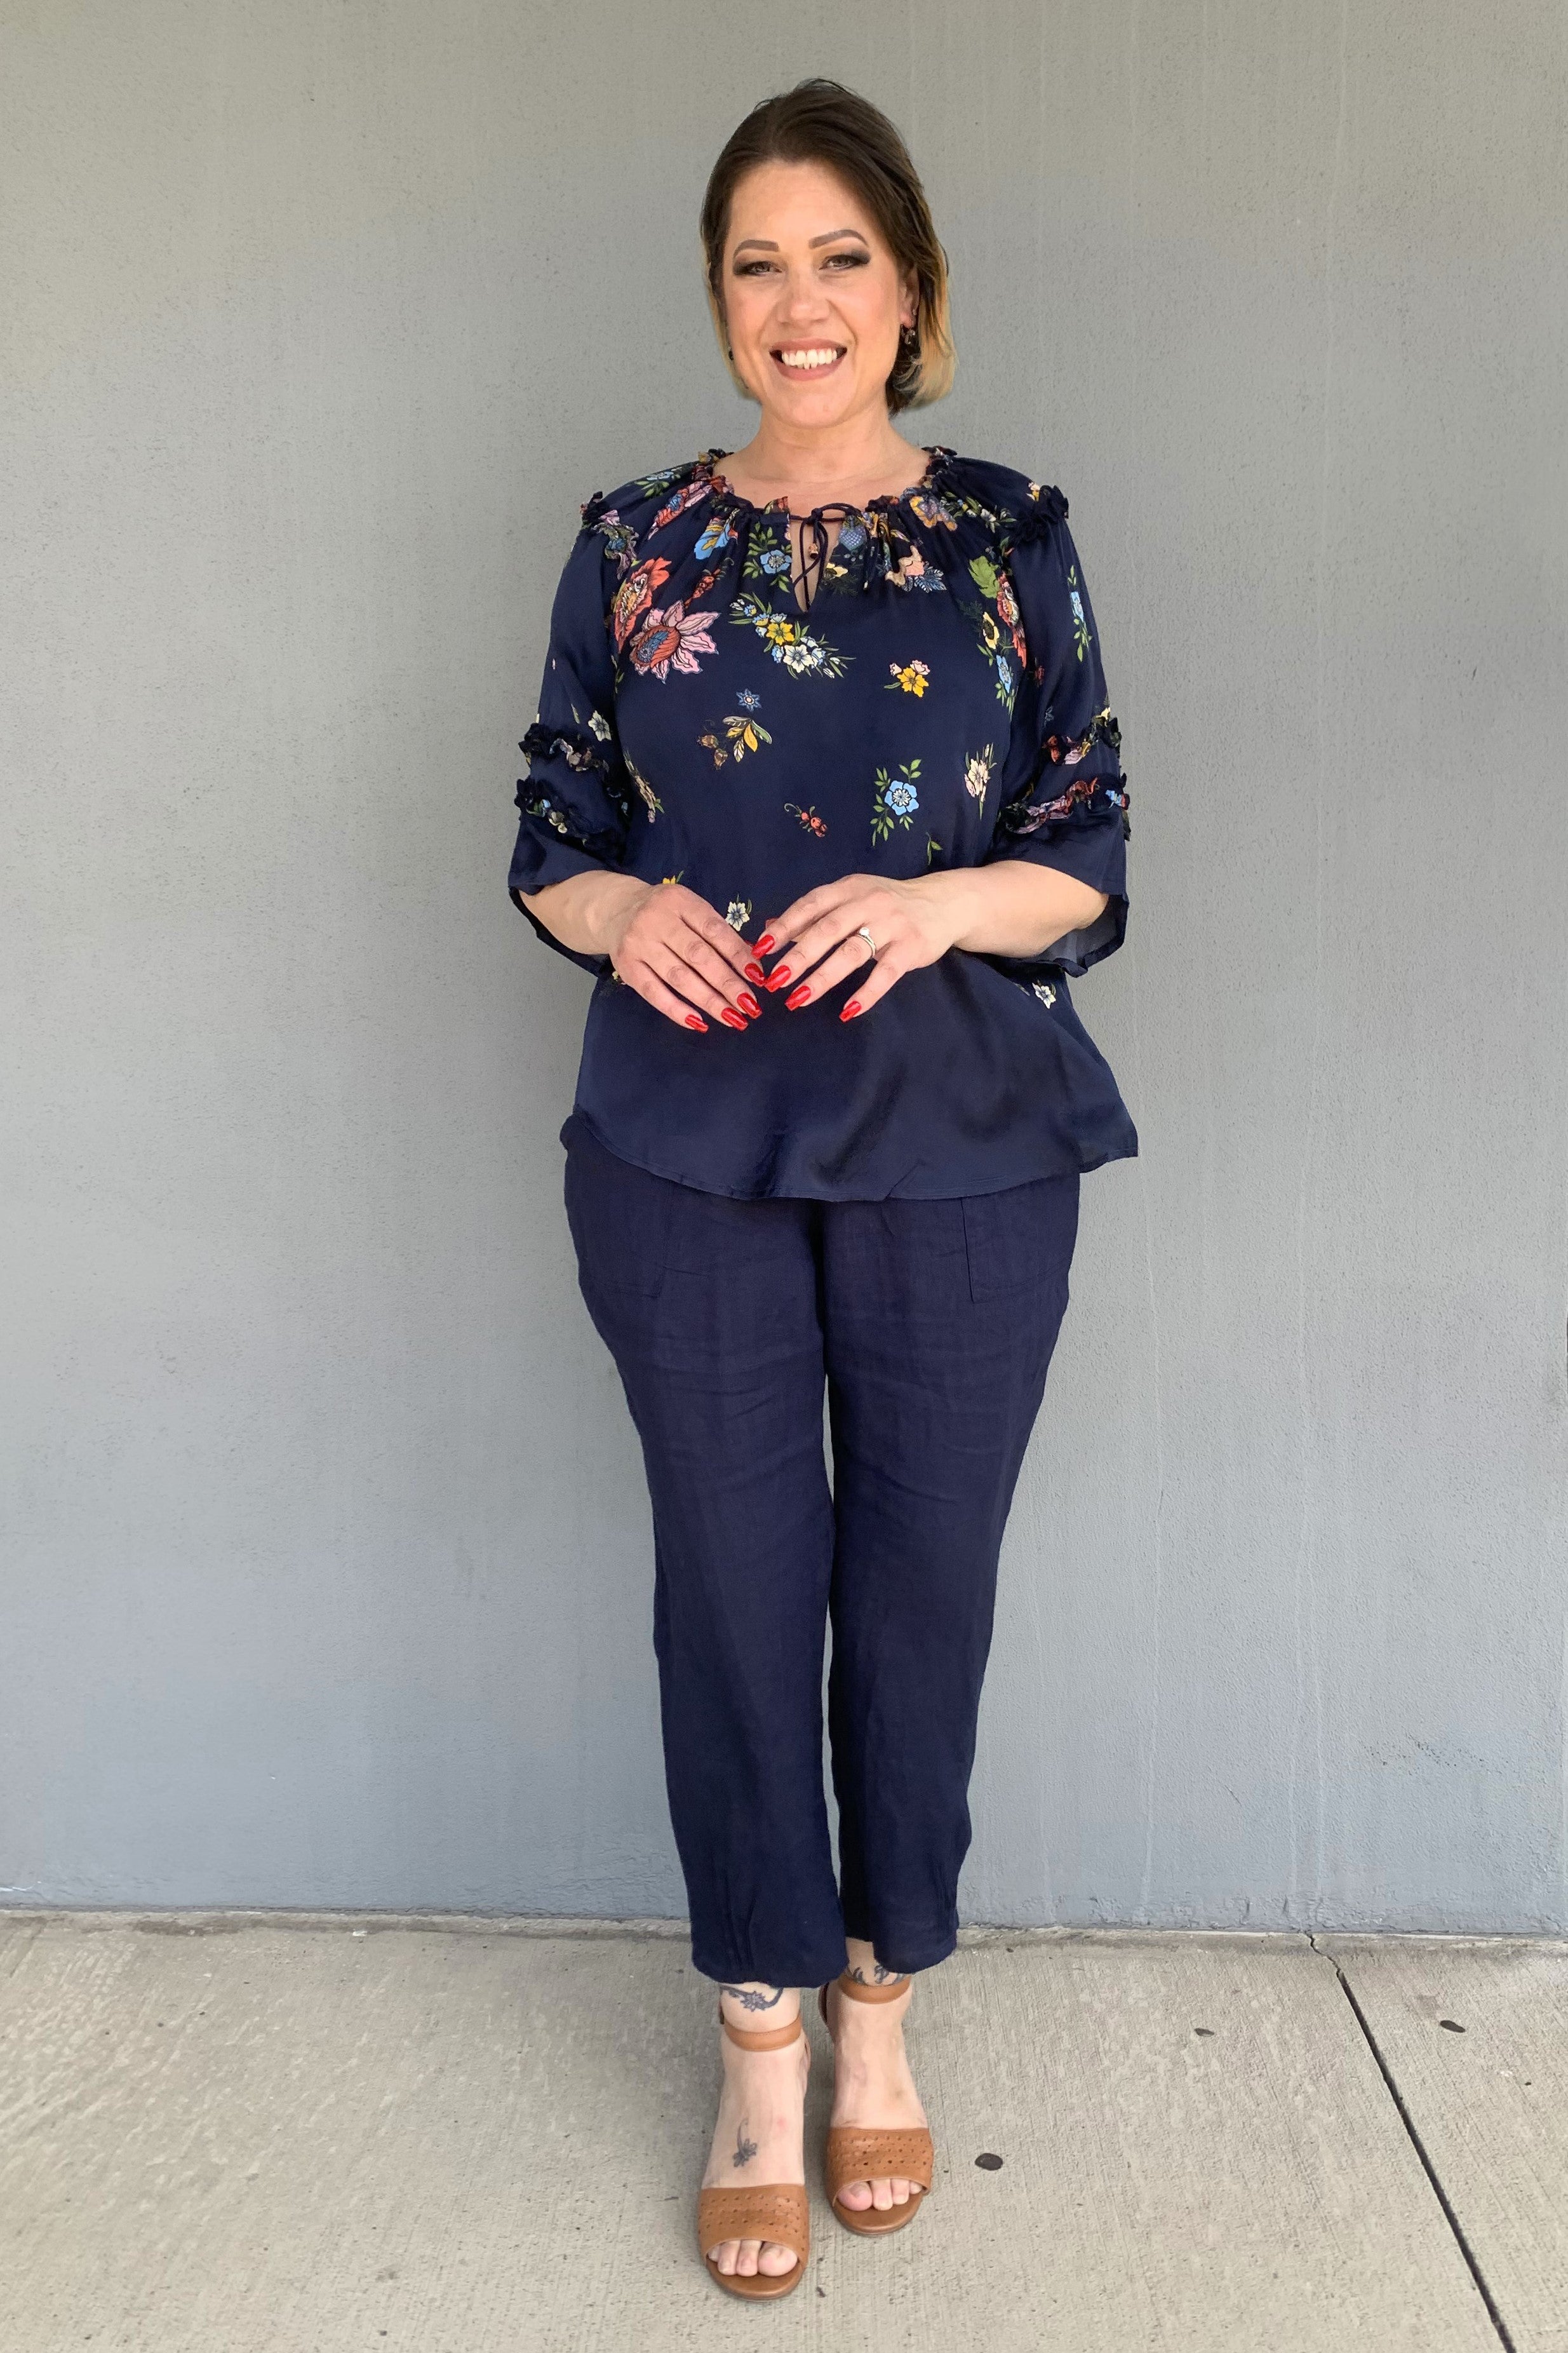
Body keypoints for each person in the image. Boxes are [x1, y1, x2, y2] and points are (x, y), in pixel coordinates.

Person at [507, 78, 1136, 2301]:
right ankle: (760, 2044)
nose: (802, 302)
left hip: (966, 1149)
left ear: (913, 285)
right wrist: (617, 916)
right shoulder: (635, 541)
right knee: (733, 1593)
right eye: (758, 262)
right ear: (718, 296)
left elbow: (1086, 841)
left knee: (925, 1590)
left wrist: (939, 902)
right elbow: (553, 822)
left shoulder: (1012, 534)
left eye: (842, 257)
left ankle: (883, 2009)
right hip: (683, 1149)